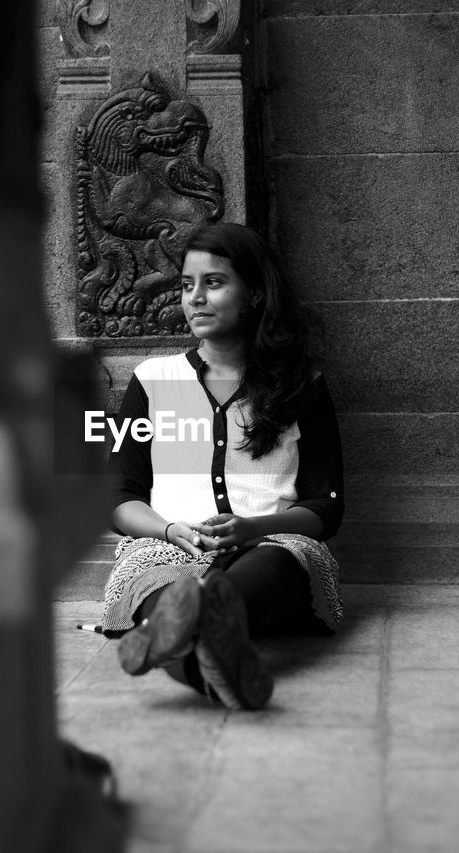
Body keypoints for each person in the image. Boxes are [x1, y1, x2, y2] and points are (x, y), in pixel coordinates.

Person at [102, 222, 345, 710]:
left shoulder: (302, 386)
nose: (195, 298)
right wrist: (170, 531)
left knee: (274, 565)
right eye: (187, 285)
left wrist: (255, 526)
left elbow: (328, 506)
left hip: (272, 548)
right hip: (165, 548)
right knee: (161, 582)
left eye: (213, 283)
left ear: (253, 294)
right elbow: (119, 496)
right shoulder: (152, 381)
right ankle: (211, 657)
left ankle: (176, 633)